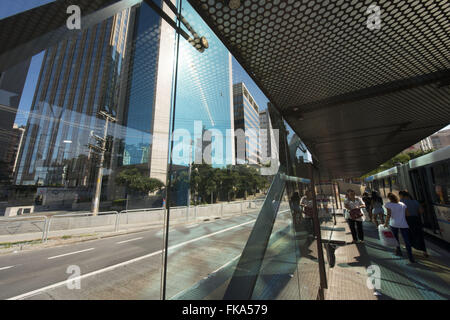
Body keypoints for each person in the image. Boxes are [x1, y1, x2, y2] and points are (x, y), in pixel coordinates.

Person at [384, 193, 415, 263]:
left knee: (396, 238)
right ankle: (411, 257)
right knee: (407, 240)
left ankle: (398, 251)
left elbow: (388, 214)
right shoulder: (402, 204)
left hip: (394, 224)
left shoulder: (388, 204)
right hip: (403, 224)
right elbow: (408, 214)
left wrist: (386, 223)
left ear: (389, 198)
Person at [399, 191, 428, 257]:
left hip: (406, 220)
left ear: (402, 196)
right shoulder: (415, 201)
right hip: (416, 219)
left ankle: (410, 251)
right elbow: (421, 211)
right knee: (419, 235)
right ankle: (424, 252)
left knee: (408, 235)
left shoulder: (401, 202)